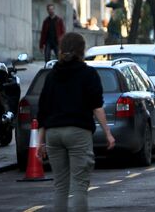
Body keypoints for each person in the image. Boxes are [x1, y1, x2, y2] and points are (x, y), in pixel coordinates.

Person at [37, 32, 115, 212]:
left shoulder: (52, 75)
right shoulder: (88, 74)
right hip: (78, 132)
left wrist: (40, 142)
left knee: (60, 185)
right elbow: (97, 107)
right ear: (82, 51)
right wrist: (108, 133)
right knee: (79, 185)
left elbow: (43, 110)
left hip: (53, 134)